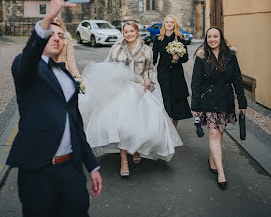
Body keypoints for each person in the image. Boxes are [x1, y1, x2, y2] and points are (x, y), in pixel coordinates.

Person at [6, 0, 102, 217]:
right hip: (38, 171)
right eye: (51, 34)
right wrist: (48, 18)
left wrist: (91, 164)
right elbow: (29, 55)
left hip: (70, 170)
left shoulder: (67, 76)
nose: (56, 38)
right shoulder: (25, 69)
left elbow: (75, 125)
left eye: (61, 35)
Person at [79, 21, 183, 178]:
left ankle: (136, 148)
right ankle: (123, 161)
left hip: (139, 89)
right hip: (120, 90)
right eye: (126, 32)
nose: (128, 34)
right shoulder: (116, 49)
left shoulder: (146, 50)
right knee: (120, 125)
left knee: (139, 124)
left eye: (131, 31)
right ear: (123, 33)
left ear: (137, 32)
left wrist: (148, 80)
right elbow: (109, 69)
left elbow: (149, 69)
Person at [191, 27, 247, 190]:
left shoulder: (230, 56)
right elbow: (196, 82)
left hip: (225, 99)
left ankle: (212, 159)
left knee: (219, 131)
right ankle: (221, 173)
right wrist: (195, 105)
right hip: (207, 99)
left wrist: (242, 102)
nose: (212, 39)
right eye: (209, 37)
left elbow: (237, 79)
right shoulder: (201, 57)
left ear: (221, 38)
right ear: (206, 39)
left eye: (216, 36)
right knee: (214, 133)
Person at [153, 15, 192, 129]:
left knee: (176, 102)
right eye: (167, 22)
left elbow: (185, 58)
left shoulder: (180, 38)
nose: (169, 24)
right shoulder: (158, 38)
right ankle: (164, 128)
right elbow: (154, 58)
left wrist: (178, 57)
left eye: (171, 22)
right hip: (163, 73)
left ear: (175, 24)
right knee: (164, 99)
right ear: (164, 24)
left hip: (177, 74)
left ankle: (174, 129)